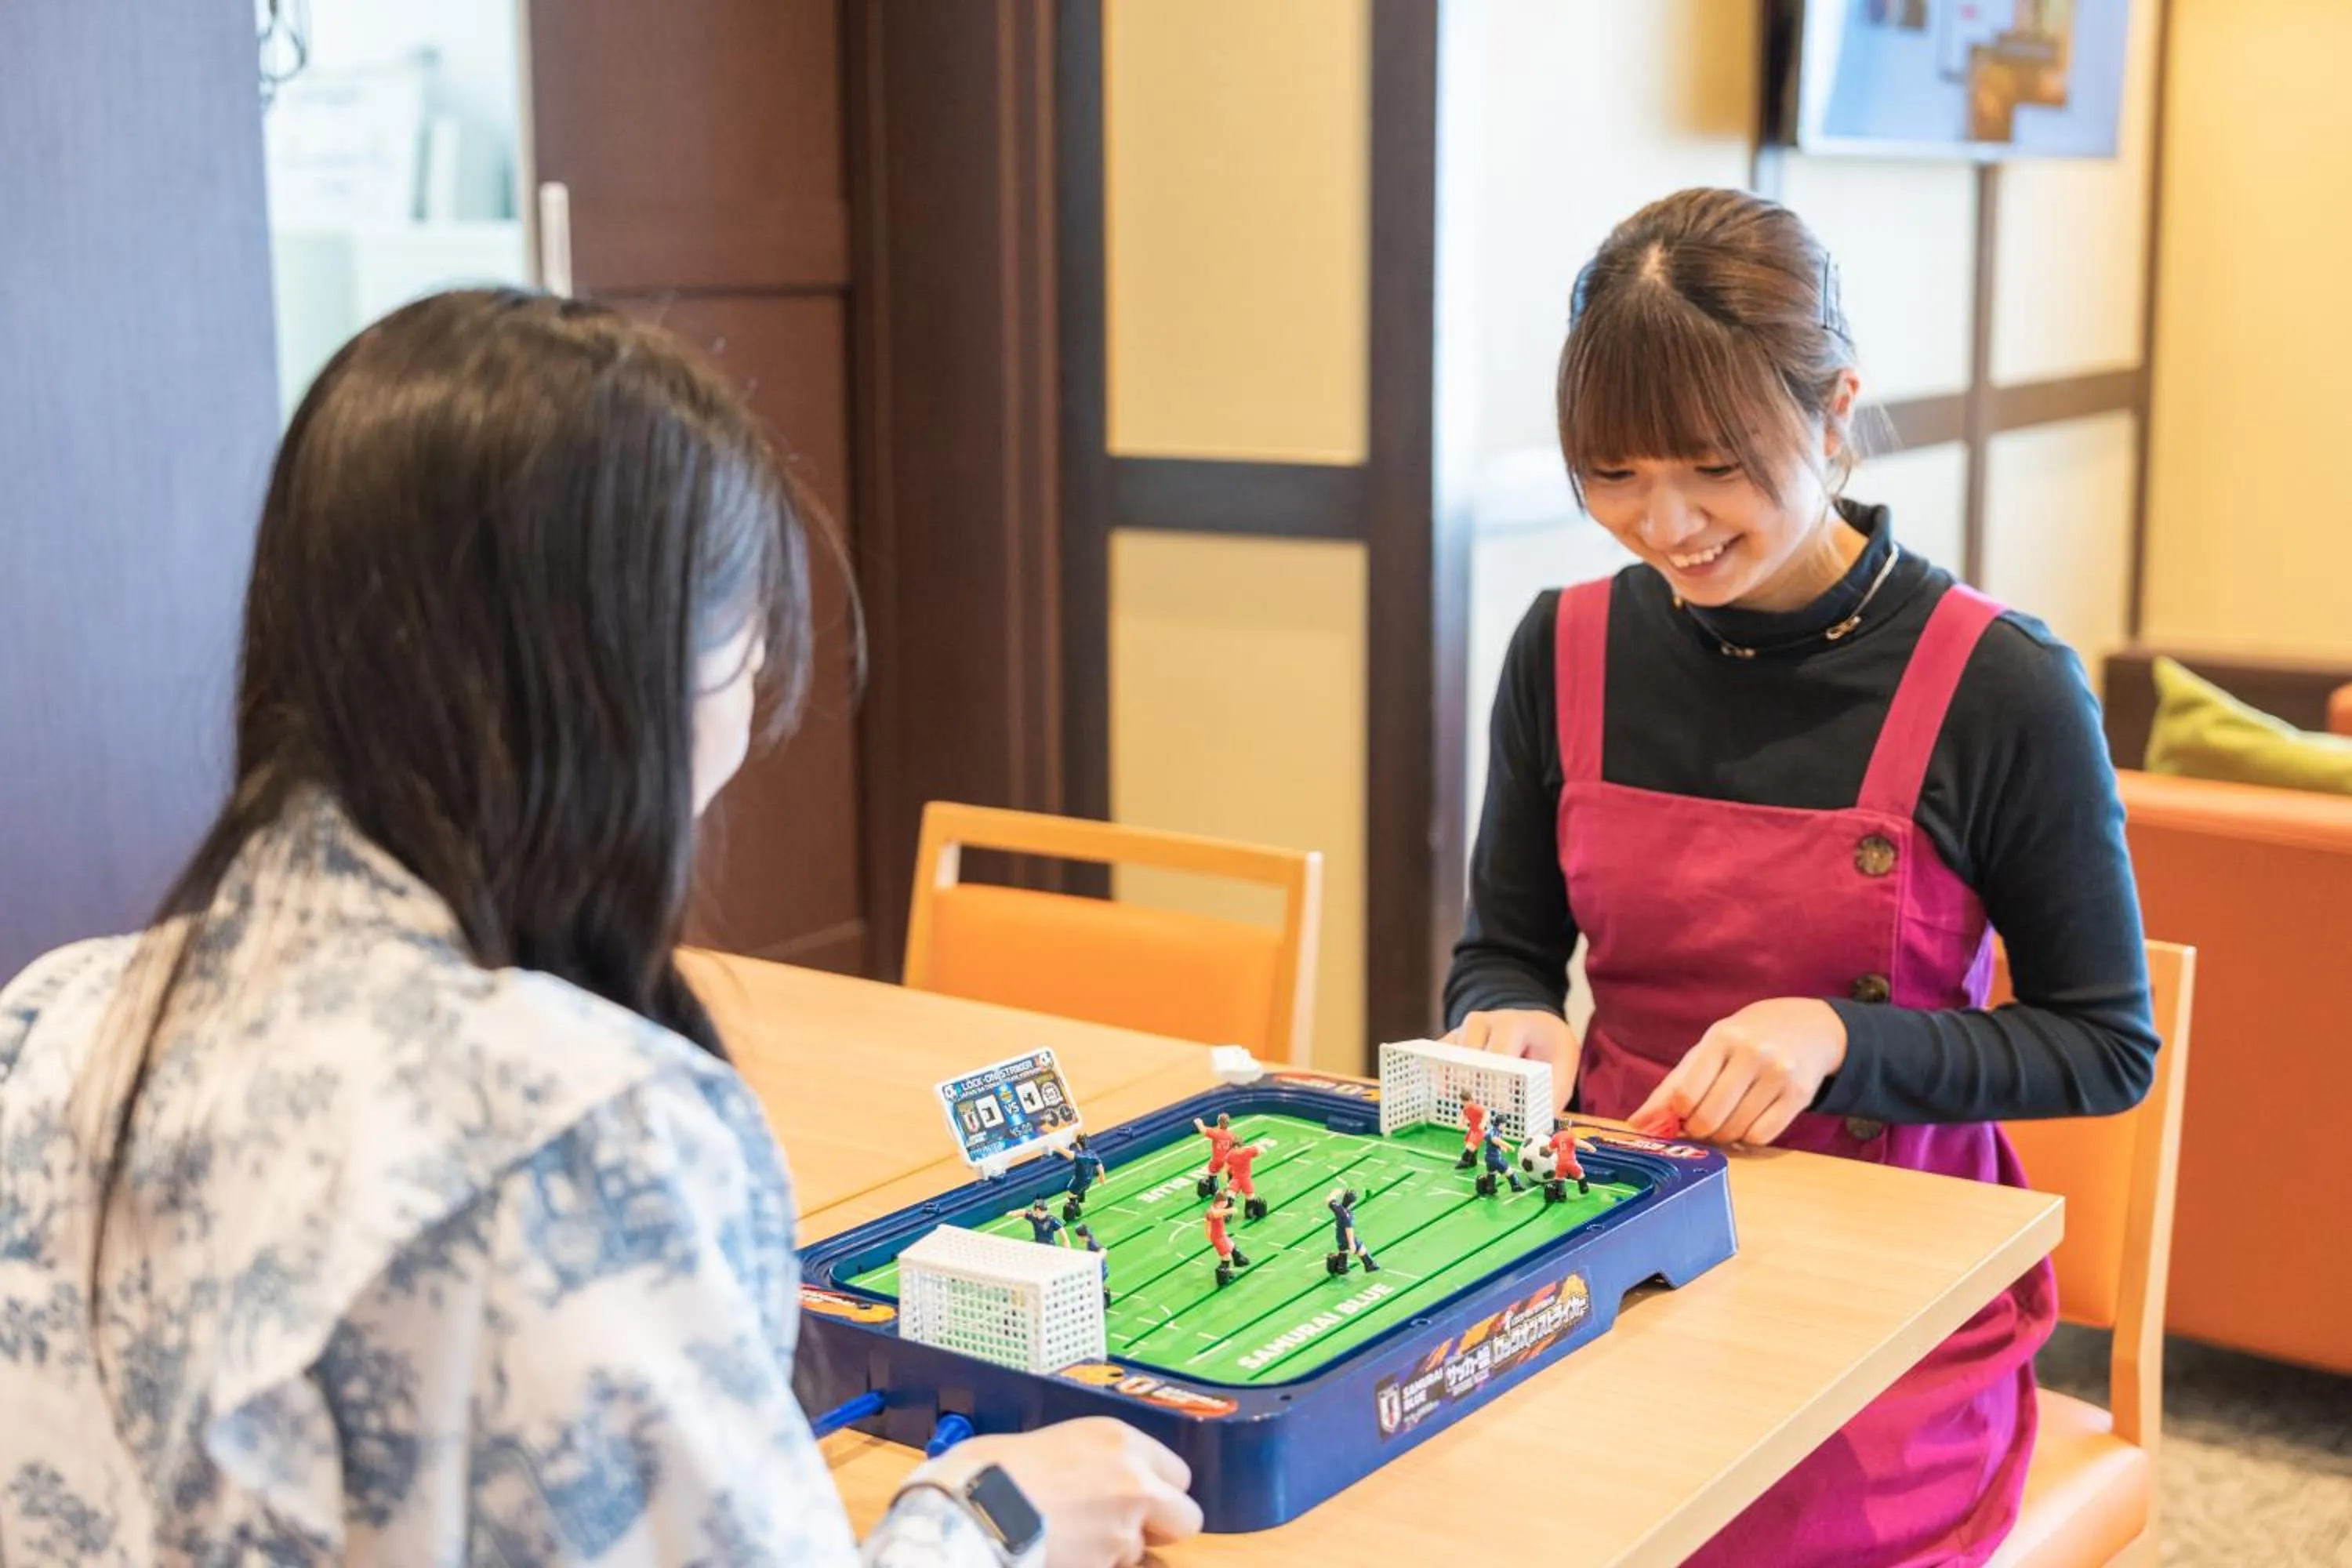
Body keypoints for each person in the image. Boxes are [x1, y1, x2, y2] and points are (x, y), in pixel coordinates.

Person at [0, 290, 1200, 1566]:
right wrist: (991, 1515)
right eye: (745, 649)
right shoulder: (576, 1135)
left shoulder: (50, 1018)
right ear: (634, 675)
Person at [1444, 190, 2158, 1566]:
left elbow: (2104, 1047)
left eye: (1715, 466)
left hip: (1890, 1294)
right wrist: (1514, 1013)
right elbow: (1507, 947)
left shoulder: (1999, 683)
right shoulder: (1564, 646)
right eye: (1613, 474)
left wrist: (1840, 1038)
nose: (1665, 524)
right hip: (1615, 1233)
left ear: (1835, 409)